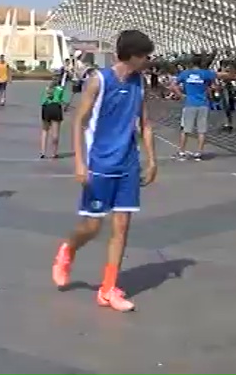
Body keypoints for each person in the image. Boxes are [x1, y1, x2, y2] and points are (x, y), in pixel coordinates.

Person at [50, 30, 157, 312]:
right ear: (133, 55)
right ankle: (68, 250)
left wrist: (152, 160)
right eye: (146, 56)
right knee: (92, 226)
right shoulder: (100, 81)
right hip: (99, 164)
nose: (149, 61)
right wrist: (79, 162)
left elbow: (145, 124)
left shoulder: (140, 83)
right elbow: (78, 121)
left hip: (128, 165)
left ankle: (108, 289)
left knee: (121, 228)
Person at [170, 55, 231, 160]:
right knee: (201, 130)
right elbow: (220, 75)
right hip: (203, 104)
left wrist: (180, 95)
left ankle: (181, 151)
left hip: (190, 104)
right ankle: (199, 152)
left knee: (185, 129)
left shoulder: (185, 74)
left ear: (190, 63)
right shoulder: (205, 73)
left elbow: (173, 85)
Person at [39, 76, 69, 159]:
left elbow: (42, 100)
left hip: (46, 108)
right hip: (55, 108)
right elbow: (65, 101)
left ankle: (43, 151)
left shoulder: (47, 89)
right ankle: (54, 152)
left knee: (45, 130)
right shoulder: (60, 89)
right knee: (55, 134)